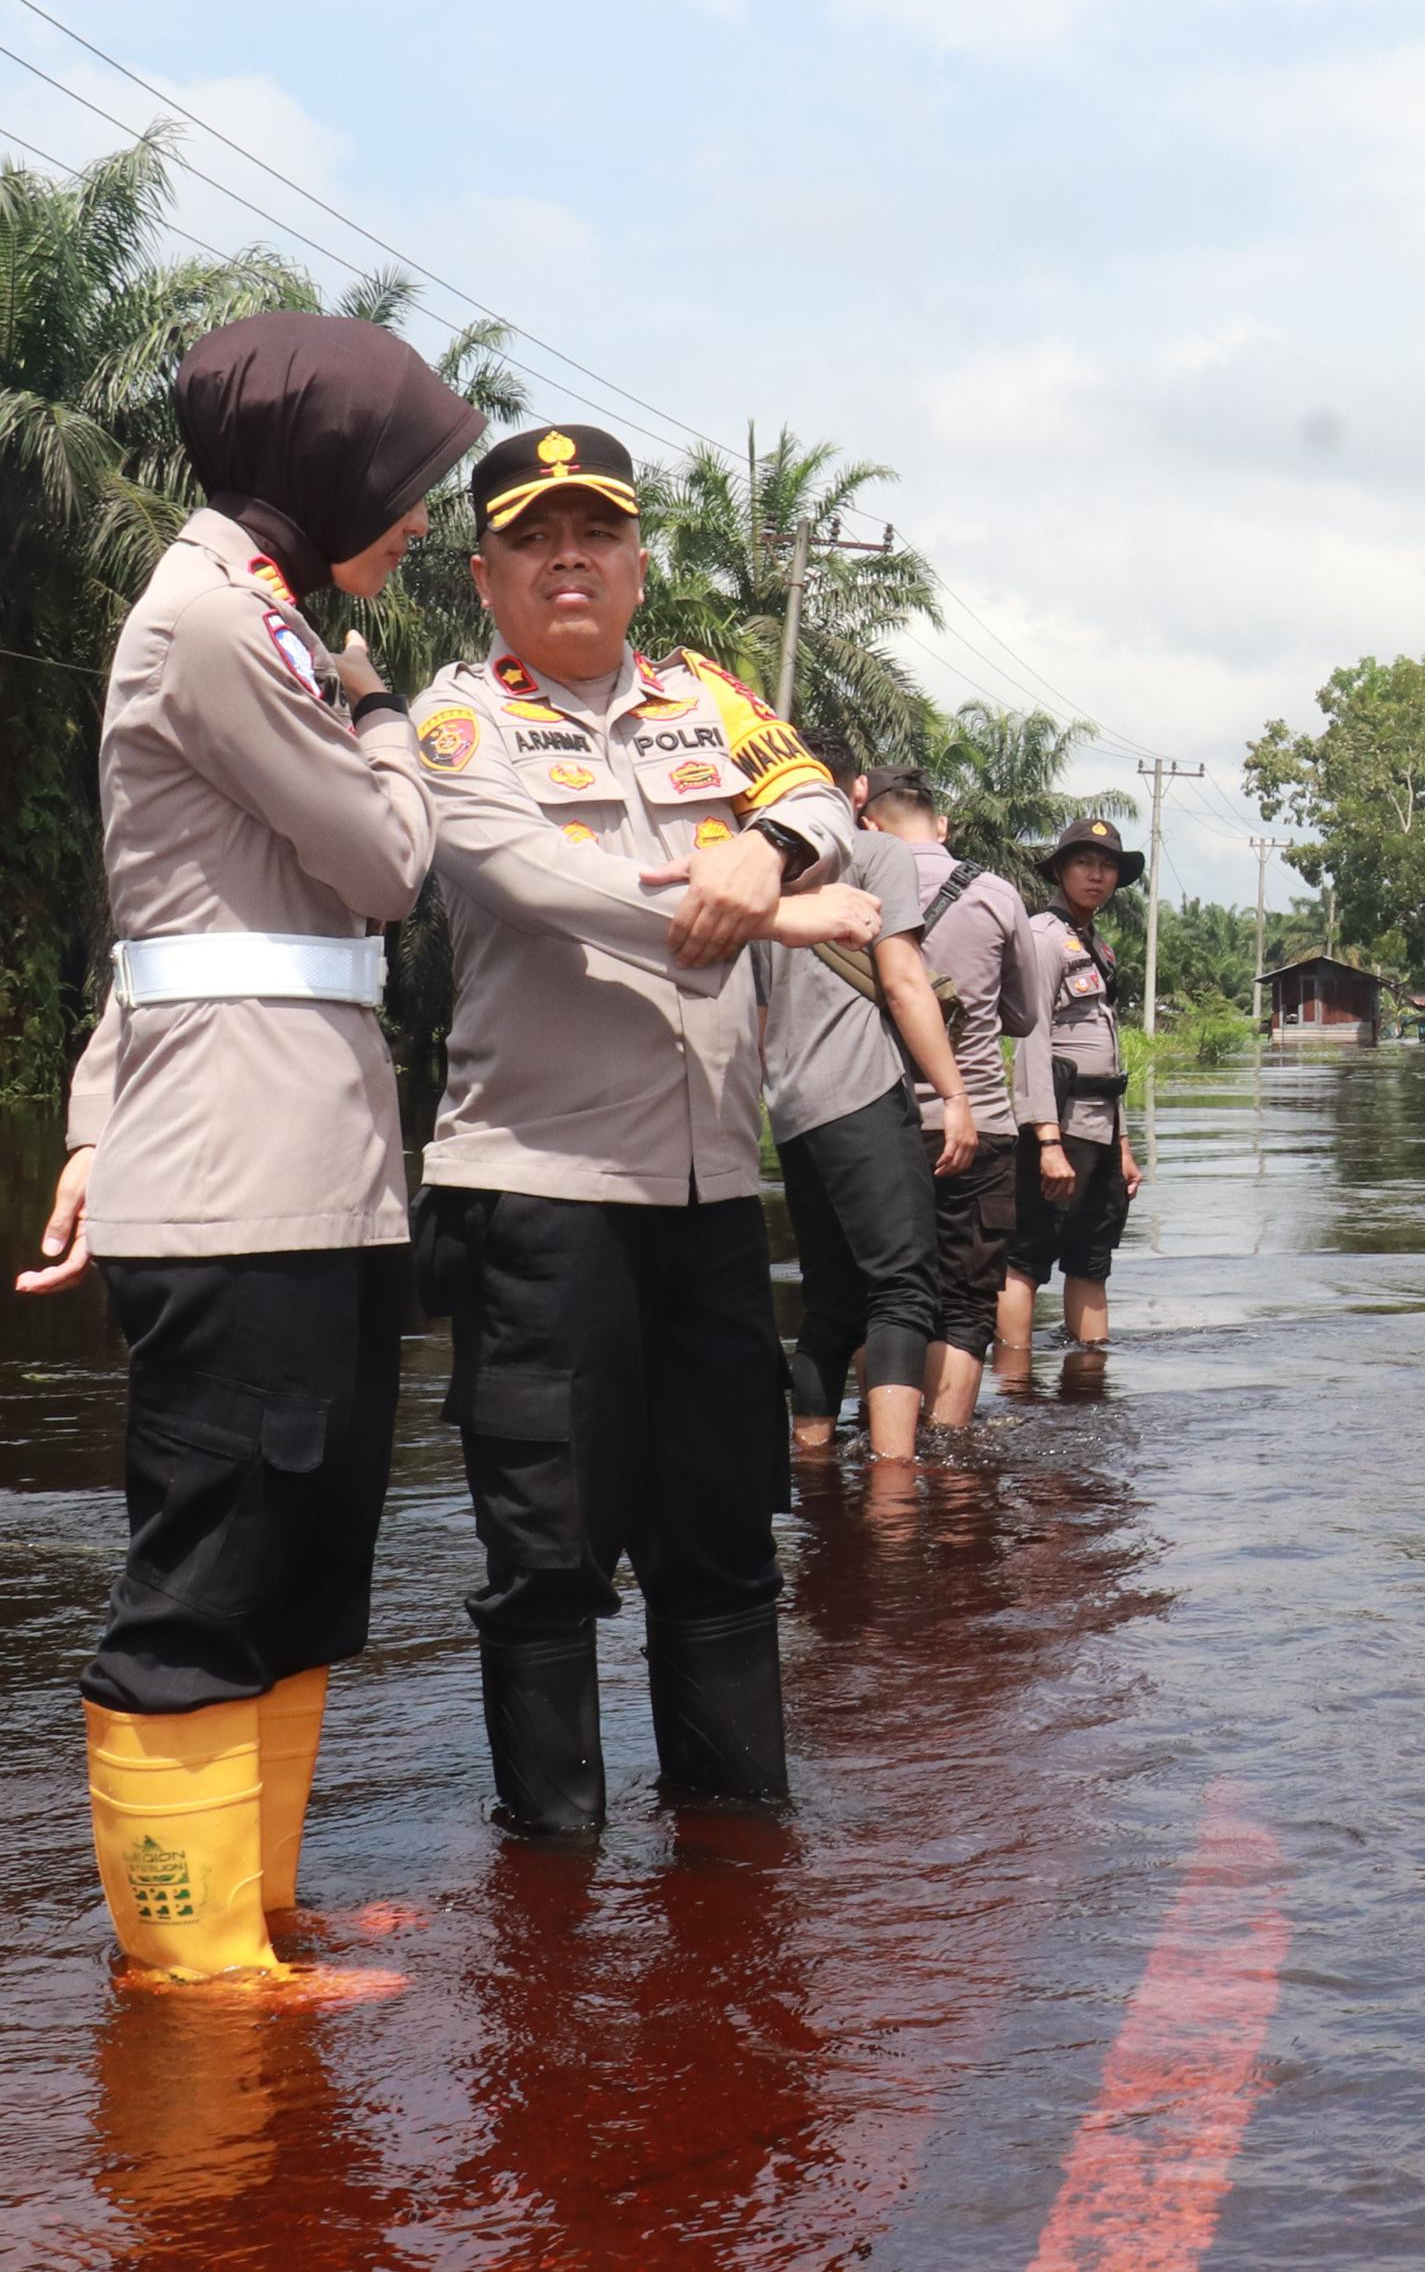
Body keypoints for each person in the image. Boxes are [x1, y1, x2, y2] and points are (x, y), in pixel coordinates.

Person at [18, 312, 482, 1989]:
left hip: (313, 1163)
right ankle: (189, 1961)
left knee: (303, 1556)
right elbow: (382, 858)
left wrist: (88, 1119)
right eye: (406, 476)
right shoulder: (218, 621)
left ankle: (252, 1905)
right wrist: (383, 718)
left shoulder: (261, 614)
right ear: (318, 457)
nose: (423, 514)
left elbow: (164, 924)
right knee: (208, 1568)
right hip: (238, 1178)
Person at [401, 423, 880, 1836]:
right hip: (537, 1193)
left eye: (595, 533)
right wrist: (773, 910)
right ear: (486, 575)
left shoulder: (705, 697)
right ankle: (547, 1892)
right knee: (546, 1559)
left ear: (637, 563)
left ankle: (734, 1858)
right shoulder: (456, 721)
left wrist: (767, 848)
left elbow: (813, 798)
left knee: (726, 1544)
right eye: (536, 539)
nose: (570, 559)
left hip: (711, 1195)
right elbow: (539, 881)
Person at [761, 744, 975, 1464]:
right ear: (853, 789)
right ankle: (892, 1491)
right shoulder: (873, 850)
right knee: (905, 1288)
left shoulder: (748, 862)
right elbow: (905, 980)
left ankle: (812, 1460)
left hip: (788, 1107)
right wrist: (952, 1093)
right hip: (859, 1090)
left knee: (831, 1303)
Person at [855, 769, 1033, 1426]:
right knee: (965, 1302)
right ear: (943, 825)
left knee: (888, 1293)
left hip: (876, 1120)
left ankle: (884, 1444)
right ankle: (949, 1452)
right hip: (979, 1121)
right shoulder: (996, 894)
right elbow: (1023, 1013)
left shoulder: (850, 890)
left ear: (867, 823)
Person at [1005, 816, 1144, 1382]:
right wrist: (1046, 1140)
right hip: (1059, 1127)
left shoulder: (1095, 946)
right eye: (1085, 863)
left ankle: (1090, 1383)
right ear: (1060, 870)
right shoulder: (1043, 937)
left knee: (1092, 1259)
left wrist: (1125, 1143)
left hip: (1100, 1128)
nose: (1098, 875)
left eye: (1108, 865)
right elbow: (1030, 1042)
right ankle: (1014, 1390)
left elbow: (1108, 1055)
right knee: (1026, 1261)